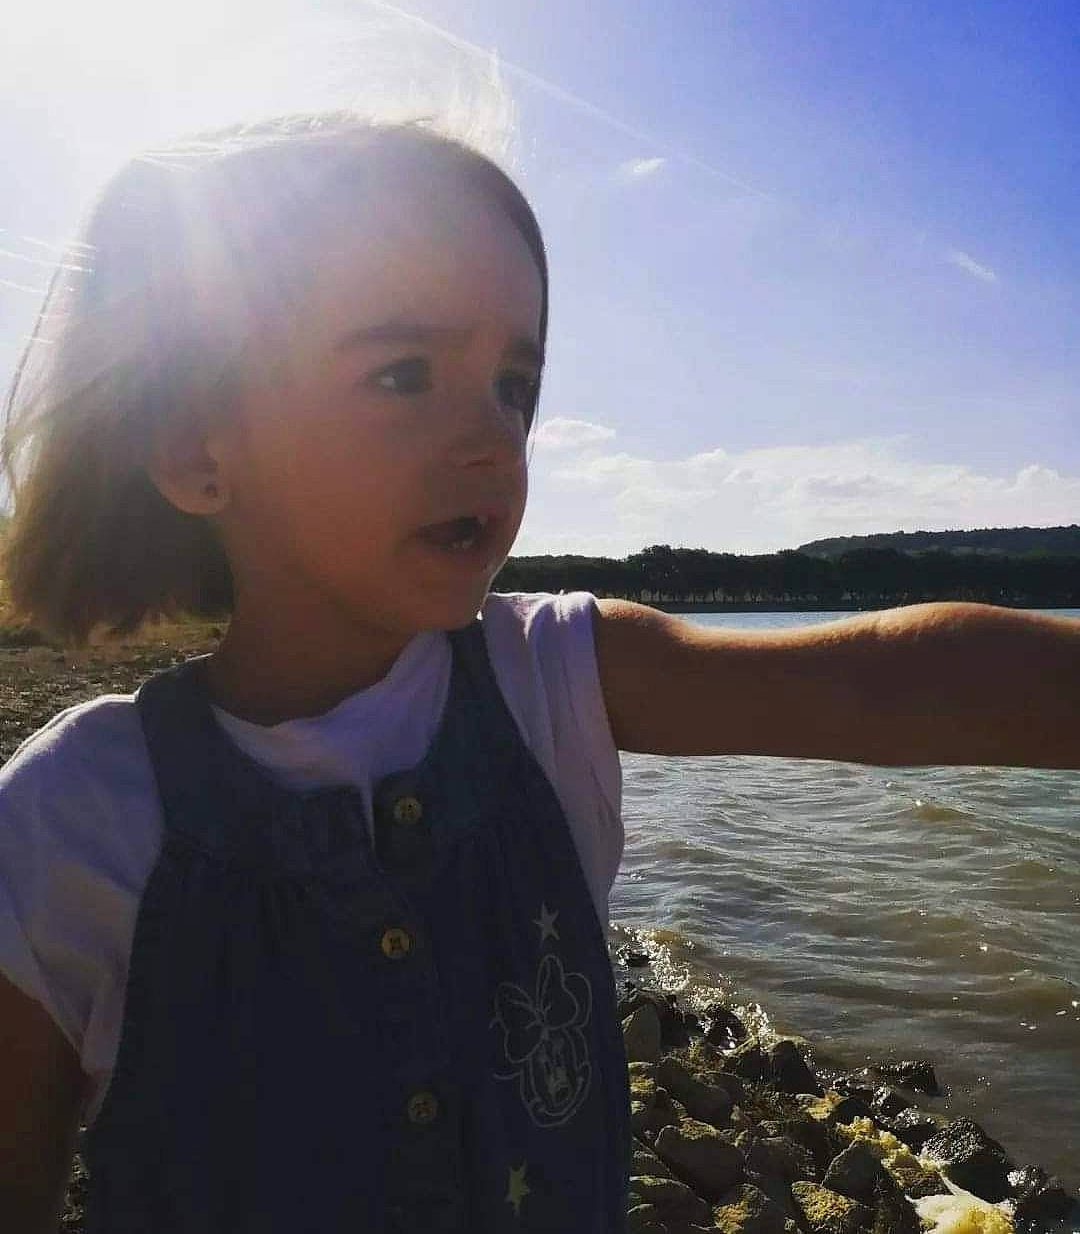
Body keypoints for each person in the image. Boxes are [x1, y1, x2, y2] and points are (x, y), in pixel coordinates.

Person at [0, 112, 1076, 1234]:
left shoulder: (550, 678)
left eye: (514, 384)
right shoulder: (74, 819)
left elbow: (879, 682)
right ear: (196, 449)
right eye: (405, 373)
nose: (490, 435)